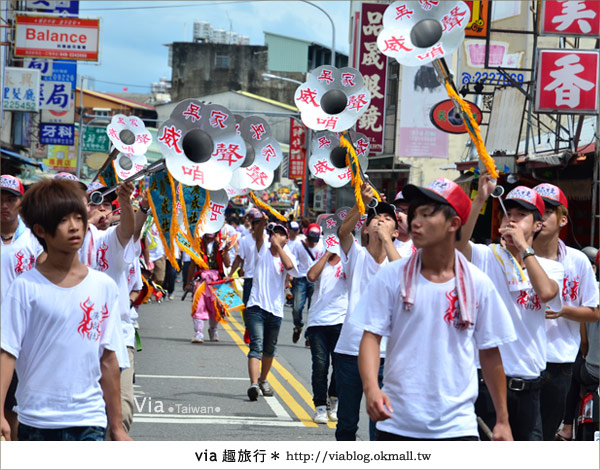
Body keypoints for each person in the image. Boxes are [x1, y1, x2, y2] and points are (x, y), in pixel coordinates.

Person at [356, 177, 515, 440]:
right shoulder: (391, 277)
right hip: (398, 423)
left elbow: (489, 353)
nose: (416, 222)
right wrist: (372, 388)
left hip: (457, 428)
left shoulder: (478, 283)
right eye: (415, 213)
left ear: (453, 224)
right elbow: (371, 336)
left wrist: (502, 420)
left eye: (428, 214)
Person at [0, 178, 130, 441]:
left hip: (89, 419)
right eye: (62, 221)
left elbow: (108, 358)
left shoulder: (103, 286)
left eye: (78, 218)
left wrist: (116, 426)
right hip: (36, 420)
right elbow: (7, 353)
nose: (74, 228)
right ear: (40, 230)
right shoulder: (24, 288)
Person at [458, 175, 564, 440]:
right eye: (509, 213)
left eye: (522, 215)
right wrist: (480, 198)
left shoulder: (550, 267)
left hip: (530, 385)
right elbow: (458, 246)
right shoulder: (487, 255)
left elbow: (547, 293)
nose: (512, 219)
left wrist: (525, 247)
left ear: (538, 225)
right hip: (488, 385)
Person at [530, 183, 599, 440]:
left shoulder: (577, 260)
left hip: (559, 364)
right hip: (518, 362)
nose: (541, 216)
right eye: (536, 210)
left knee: (545, 436)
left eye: (549, 210)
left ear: (563, 219)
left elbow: (594, 312)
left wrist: (563, 311)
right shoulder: (512, 256)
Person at [334, 184, 400, 441]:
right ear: (365, 227)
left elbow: (404, 280)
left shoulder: (400, 261)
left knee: (381, 425)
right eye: (376, 218)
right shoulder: (357, 256)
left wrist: (386, 239)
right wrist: (360, 202)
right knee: (347, 424)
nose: (380, 222)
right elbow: (342, 232)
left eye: (387, 220)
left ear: (395, 232)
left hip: (386, 356)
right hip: (350, 351)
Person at [1, 175, 45, 441]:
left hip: (25, 337)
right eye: (0, 199)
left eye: (11, 199)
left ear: (21, 203)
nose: (4, 205)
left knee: (15, 407)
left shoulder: (34, 240)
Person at [245, 216, 298, 401]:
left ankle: (263, 379)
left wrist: (279, 247)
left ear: (286, 239)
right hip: (256, 307)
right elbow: (258, 235)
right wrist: (262, 222)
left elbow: (290, 267)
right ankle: (253, 384)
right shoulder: (261, 251)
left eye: (280, 234)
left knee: (269, 348)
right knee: (256, 345)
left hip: (275, 310)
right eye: (273, 232)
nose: (276, 235)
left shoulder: (287, 255)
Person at [556, 247, 599, 440]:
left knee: (572, 372)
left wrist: (586, 353)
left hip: (592, 370)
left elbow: (583, 341)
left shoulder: (593, 294)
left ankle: (567, 427)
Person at [306, 250, 348, 424]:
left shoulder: (349, 261)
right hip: (318, 321)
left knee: (339, 365)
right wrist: (326, 255)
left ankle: (334, 400)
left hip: (341, 319)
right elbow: (311, 276)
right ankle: (320, 407)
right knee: (320, 365)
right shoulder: (319, 261)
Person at [186, 232, 232, 343]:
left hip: (216, 280)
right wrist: (187, 282)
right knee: (198, 305)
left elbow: (227, 264)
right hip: (202, 279)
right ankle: (198, 333)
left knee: (215, 307)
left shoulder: (221, 244)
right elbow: (193, 264)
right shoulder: (198, 244)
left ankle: (213, 329)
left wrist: (225, 251)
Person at [290, 223, 325, 343]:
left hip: (316, 279)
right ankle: (298, 325)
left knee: (313, 309)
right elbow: (293, 261)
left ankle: (309, 335)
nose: (312, 243)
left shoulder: (322, 245)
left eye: (314, 240)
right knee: (296, 308)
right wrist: (290, 275)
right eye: (310, 240)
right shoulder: (298, 244)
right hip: (301, 278)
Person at [391, 191, 415, 258]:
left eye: (407, 211)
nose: (401, 215)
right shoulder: (382, 240)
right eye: (398, 210)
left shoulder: (421, 245)